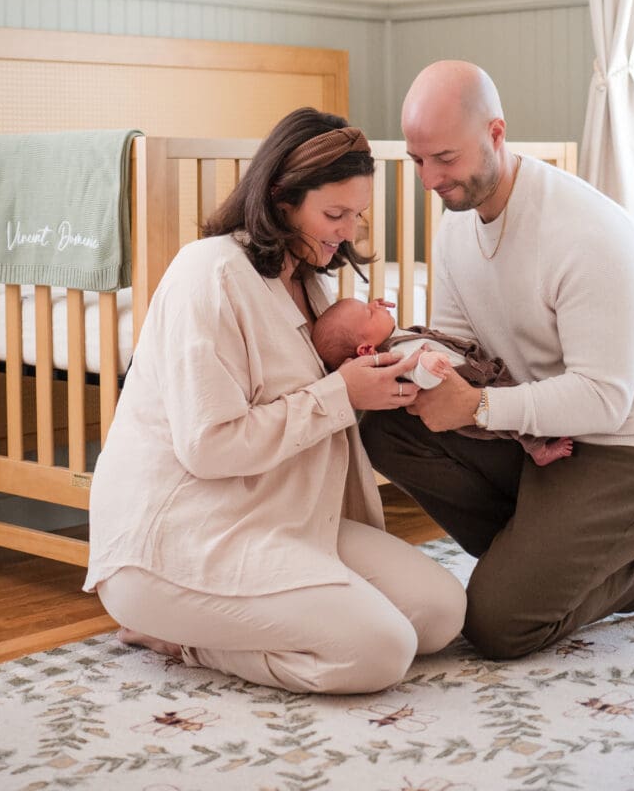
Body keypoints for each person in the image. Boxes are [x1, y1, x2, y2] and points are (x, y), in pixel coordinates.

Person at [83, 107, 466, 695]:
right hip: (183, 536)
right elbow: (209, 448)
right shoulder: (208, 274)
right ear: (282, 199)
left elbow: (319, 401)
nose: (348, 231)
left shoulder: (308, 282)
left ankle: (254, 621)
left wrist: (391, 374)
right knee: (379, 652)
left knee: (441, 614)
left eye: (356, 215)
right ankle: (174, 635)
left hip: (282, 516)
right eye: (334, 214)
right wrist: (341, 392)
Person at [360, 60, 634, 661]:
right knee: (386, 426)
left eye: (445, 159)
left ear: (496, 134)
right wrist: (406, 365)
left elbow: (605, 400)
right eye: (417, 160)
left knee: (497, 625)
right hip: (546, 433)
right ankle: (549, 549)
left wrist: (477, 406)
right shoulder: (458, 226)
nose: (430, 179)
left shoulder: (586, 234)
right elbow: (457, 349)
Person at [312, 295, 573, 466]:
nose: (375, 306)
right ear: (366, 351)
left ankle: (544, 427)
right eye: (370, 314)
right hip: (464, 387)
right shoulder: (393, 356)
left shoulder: (394, 336)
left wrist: (373, 310)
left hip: (474, 373)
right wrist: (428, 365)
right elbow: (415, 371)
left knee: (511, 397)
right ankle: (538, 449)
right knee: (506, 419)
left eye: (369, 303)